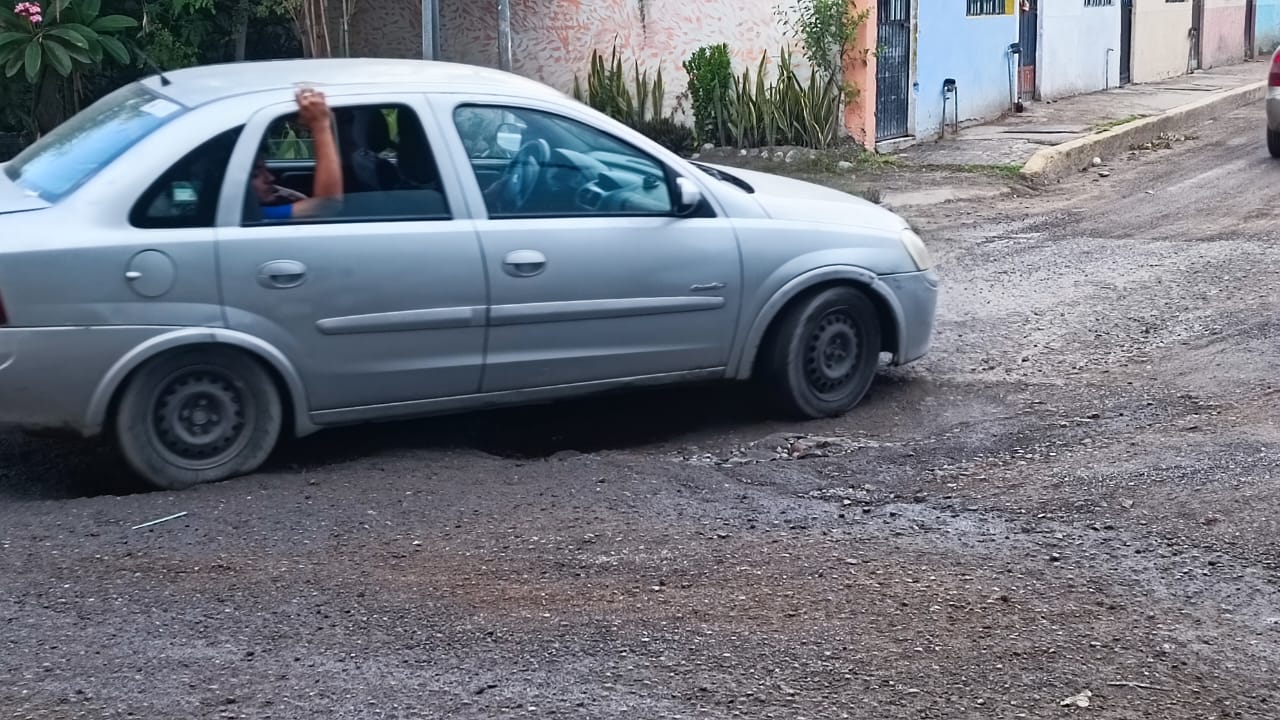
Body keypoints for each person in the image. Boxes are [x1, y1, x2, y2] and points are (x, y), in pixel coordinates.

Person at [251, 87, 343, 220]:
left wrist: (282, 192)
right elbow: (328, 204)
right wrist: (320, 125)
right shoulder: (256, 215)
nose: (270, 178)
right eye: (255, 174)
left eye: (266, 169)